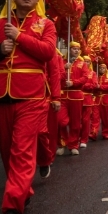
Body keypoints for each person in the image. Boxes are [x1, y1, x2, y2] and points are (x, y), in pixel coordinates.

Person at [0, 0, 57, 214]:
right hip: (1, 92)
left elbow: (47, 53)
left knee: (22, 150)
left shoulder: (46, 24)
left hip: (31, 95)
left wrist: (20, 37)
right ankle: (22, 190)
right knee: (6, 150)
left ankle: (12, 208)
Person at [36, 48, 65, 179]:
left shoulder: (53, 53)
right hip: (26, 94)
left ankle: (47, 158)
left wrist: (55, 97)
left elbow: (56, 75)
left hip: (46, 96)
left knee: (45, 131)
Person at [60, 42, 88, 155]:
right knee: (61, 121)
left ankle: (73, 145)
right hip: (62, 95)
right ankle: (63, 143)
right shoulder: (62, 61)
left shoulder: (82, 64)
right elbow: (56, 74)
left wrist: (73, 83)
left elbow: (85, 78)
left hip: (76, 95)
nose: (76, 51)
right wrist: (63, 68)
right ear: (69, 49)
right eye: (73, 49)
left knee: (75, 123)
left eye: (78, 49)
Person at [79, 56, 97, 148]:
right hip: (77, 98)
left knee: (86, 120)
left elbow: (93, 85)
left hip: (87, 99)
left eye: (88, 62)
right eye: (84, 61)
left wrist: (82, 84)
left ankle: (84, 139)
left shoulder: (92, 73)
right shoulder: (78, 71)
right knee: (77, 120)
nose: (86, 63)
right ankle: (77, 136)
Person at [97, 64, 108, 140]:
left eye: (103, 68)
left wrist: (100, 87)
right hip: (97, 99)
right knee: (95, 117)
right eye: (100, 68)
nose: (101, 69)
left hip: (106, 99)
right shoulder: (96, 77)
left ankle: (106, 132)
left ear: (106, 69)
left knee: (106, 117)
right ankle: (93, 133)